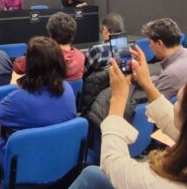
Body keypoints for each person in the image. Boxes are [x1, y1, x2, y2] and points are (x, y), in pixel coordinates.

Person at [72, 45, 187, 189]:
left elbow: (113, 166)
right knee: (92, 174)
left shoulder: (159, 183)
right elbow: (174, 124)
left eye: (179, 102)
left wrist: (118, 99)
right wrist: (147, 84)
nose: (174, 105)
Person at [0, 36, 77, 165]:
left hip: (25, 168)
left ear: (30, 65)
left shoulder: (18, 99)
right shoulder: (68, 89)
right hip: (60, 164)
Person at [13, 12, 85, 80]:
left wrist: (30, 55)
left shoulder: (42, 56)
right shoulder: (81, 56)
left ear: (50, 34)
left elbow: (17, 68)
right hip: (73, 93)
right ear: (73, 34)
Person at [141, 18, 187, 99]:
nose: (149, 46)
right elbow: (164, 81)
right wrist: (144, 78)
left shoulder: (171, 73)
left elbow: (156, 107)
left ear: (159, 43)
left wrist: (145, 82)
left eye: (150, 43)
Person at [84, 12, 125, 77]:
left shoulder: (97, 51)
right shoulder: (129, 50)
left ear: (105, 30)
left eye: (102, 31)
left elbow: (82, 72)